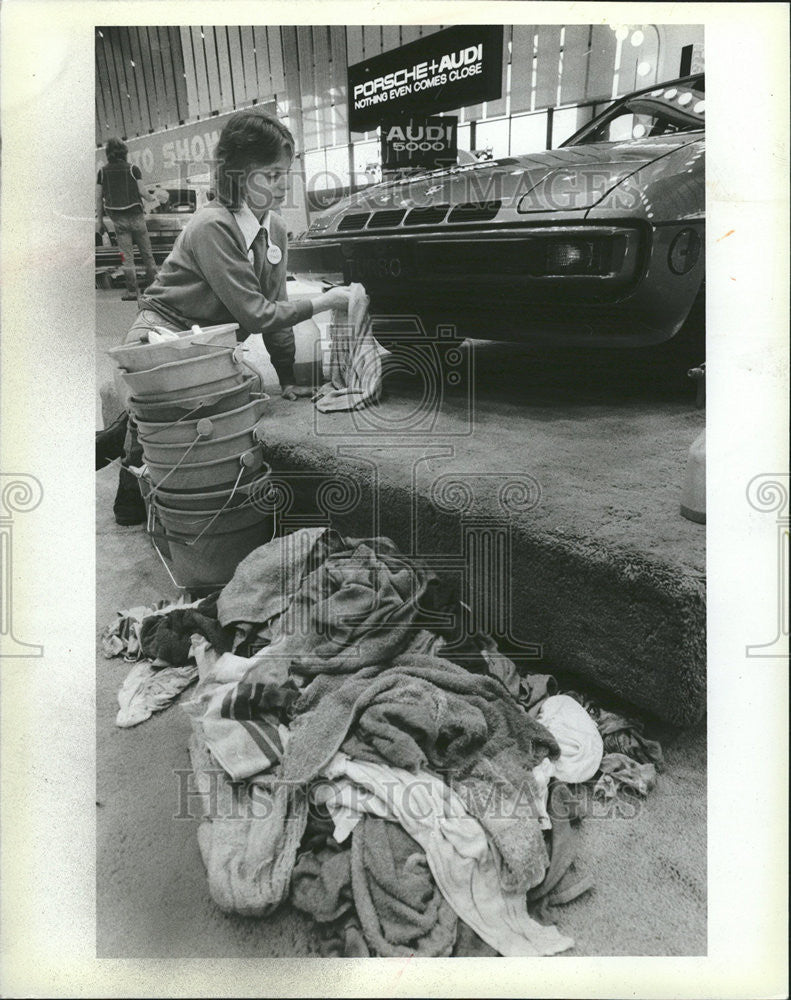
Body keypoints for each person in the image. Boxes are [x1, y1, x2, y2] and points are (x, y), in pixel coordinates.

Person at [108, 108, 351, 525]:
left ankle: (119, 428)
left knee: (229, 405)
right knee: (155, 433)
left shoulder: (273, 228)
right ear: (238, 173)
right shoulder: (212, 226)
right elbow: (256, 314)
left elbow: (275, 297)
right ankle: (128, 479)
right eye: (271, 174)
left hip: (210, 343)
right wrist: (328, 301)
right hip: (162, 334)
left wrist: (287, 376)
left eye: (286, 173)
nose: (282, 185)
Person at [96, 138, 159, 301]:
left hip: (119, 222)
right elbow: (143, 192)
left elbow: (98, 198)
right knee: (147, 255)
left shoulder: (102, 173)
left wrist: (100, 222)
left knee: (126, 257)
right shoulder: (133, 169)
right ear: (124, 152)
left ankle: (132, 291)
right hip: (137, 219)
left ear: (108, 154)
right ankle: (154, 289)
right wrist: (154, 198)